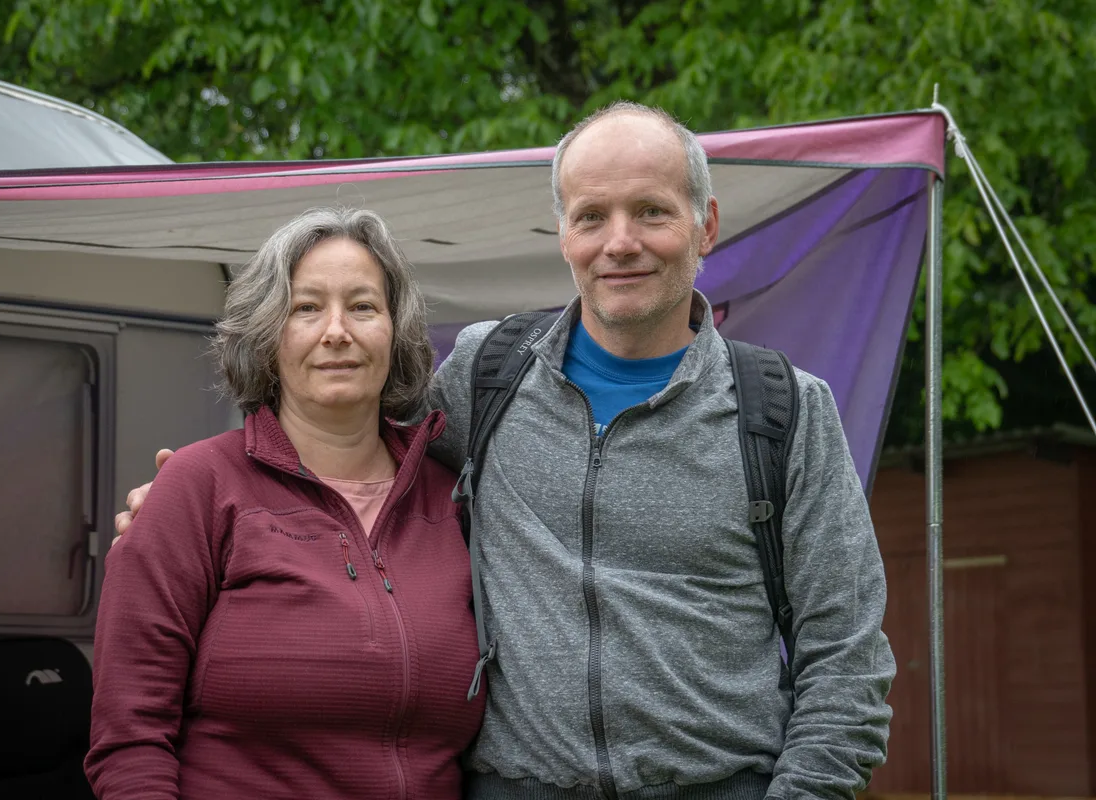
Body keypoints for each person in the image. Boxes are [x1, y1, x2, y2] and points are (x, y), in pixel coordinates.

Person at [117, 102, 896, 799]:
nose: (619, 243)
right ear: (563, 234)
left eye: (651, 211)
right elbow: (342, 442)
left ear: (706, 225)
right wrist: (191, 505)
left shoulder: (785, 412)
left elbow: (847, 663)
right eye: (592, 216)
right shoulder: (489, 377)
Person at [85, 207, 485, 799]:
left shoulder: (453, 498)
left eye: (363, 306)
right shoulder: (198, 486)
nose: (337, 331)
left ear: (396, 331)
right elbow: (130, 737)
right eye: (307, 308)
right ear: (267, 335)